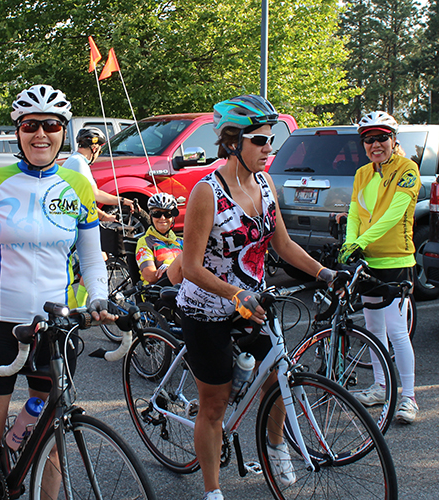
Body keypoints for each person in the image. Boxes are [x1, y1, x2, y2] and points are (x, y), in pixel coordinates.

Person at [0, 84, 116, 500]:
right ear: (18, 131)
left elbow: (93, 260)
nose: (40, 133)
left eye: (51, 125)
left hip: (56, 329)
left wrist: (98, 296)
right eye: (30, 125)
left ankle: (21, 445)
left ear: (63, 131)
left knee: (52, 440)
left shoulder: (76, 187)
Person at [176, 95, 336, 500]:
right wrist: (234, 294)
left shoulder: (264, 184)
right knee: (214, 406)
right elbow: (192, 267)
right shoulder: (206, 193)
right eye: (261, 140)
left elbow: (281, 243)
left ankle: (276, 444)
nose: (270, 148)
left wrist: (324, 272)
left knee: (278, 380)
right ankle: (213, 492)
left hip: (253, 303)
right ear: (233, 143)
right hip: (207, 307)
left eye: (272, 139)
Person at [340, 111, 420, 424]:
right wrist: (350, 242)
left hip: (396, 261)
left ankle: (409, 398)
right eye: (369, 139)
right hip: (367, 262)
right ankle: (381, 387)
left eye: (382, 137)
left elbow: (394, 215)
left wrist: (361, 241)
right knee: (373, 329)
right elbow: (355, 213)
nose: (376, 144)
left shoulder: (407, 169)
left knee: (398, 331)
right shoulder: (362, 173)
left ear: (393, 140)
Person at [62, 127, 134, 220]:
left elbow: (85, 200)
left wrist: (105, 216)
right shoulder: (79, 163)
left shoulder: (75, 160)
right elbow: (96, 194)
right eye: (99, 152)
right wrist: (123, 201)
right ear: (95, 148)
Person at [135, 192, 183, 285]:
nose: (162, 218)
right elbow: (150, 276)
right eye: (157, 214)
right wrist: (171, 270)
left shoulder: (181, 242)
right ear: (150, 216)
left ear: (173, 218)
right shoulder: (145, 242)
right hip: (159, 293)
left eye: (167, 214)